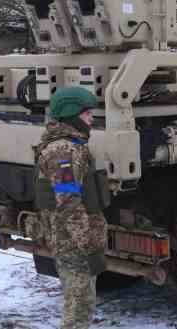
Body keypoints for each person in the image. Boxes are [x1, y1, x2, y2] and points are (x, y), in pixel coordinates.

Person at [35, 86, 108, 329]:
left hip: (73, 239)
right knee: (79, 306)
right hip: (73, 243)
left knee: (81, 302)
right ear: (72, 115)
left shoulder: (71, 145)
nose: (91, 119)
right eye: (87, 114)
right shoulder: (64, 150)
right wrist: (86, 242)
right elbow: (68, 201)